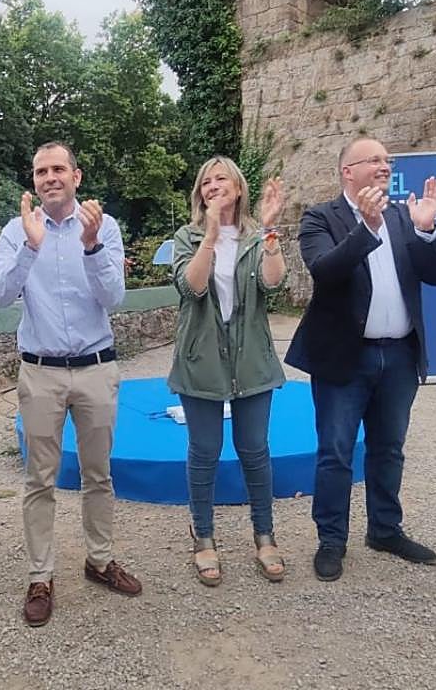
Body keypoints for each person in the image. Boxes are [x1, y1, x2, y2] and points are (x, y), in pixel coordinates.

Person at [0, 141, 142, 627]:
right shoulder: (17, 231)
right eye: (40, 171)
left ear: (76, 176)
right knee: (40, 479)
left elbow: (113, 297)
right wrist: (32, 247)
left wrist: (93, 247)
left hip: (96, 367)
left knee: (98, 473)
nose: (49, 177)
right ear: (33, 180)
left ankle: (99, 561)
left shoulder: (104, 226)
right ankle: (40, 575)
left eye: (58, 169)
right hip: (40, 371)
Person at [285, 136, 436, 582]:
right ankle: (331, 540)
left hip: (398, 354)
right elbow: (325, 270)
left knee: (389, 448)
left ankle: (384, 529)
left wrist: (425, 230)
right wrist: (367, 227)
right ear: (347, 171)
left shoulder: (404, 215)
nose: (384, 166)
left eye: (386, 160)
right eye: (374, 160)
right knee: (336, 453)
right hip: (345, 357)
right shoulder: (321, 217)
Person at [167, 157, 288, 586]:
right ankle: (203, 538)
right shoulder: (188, 236)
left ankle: (265, 535)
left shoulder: (257, 236)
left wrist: (271, 231)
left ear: (238, 189)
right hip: (200, 360)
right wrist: (212, 237)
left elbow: (273, 283)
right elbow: (193, 286)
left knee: (255, 450)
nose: (212, 186)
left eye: (221, 179)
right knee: (204, 452)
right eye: (205, 181)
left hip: (251, 359)